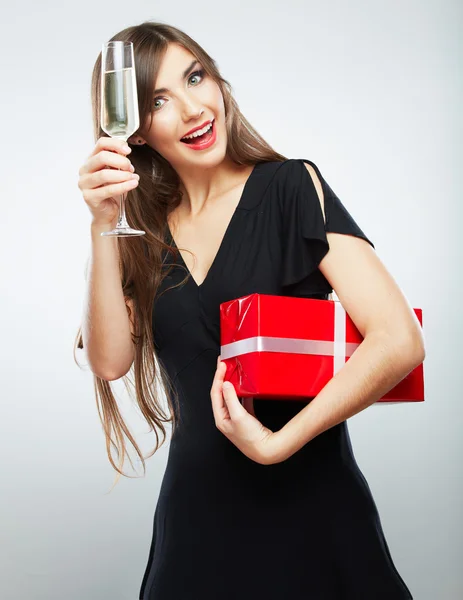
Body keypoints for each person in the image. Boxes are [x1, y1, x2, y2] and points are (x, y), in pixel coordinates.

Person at [75, 21, 424, 600]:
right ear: (134, 130)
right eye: (159, 100)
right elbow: (110, 361)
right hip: (197, 529)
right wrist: (102, 226)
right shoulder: (142, 237)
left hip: (315, 515)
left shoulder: (290, 187)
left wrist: (276, 444)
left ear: (218, 82)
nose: (190, 109)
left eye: (195, 77)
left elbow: (398, 339)